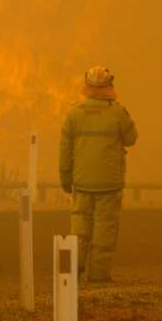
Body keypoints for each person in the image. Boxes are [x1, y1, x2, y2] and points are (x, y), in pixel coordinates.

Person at [59, 66, 138, 282]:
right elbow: (131, 139)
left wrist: (66, 178)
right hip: (109, 184)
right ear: (109, 86)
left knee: (79, 228)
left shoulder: (73, 114)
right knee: (104, 230)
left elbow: (65, 150)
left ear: (87, 86)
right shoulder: (118, 113)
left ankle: (73, 272)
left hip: (81, 182)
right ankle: (99, 276)